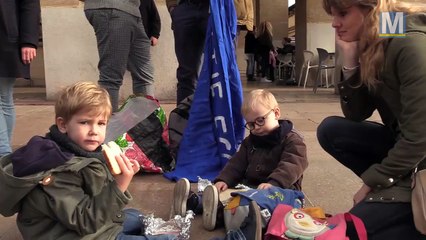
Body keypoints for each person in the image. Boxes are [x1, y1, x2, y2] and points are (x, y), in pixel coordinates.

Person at [0, 82, 176, 240]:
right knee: (166, 239)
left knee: (137, 217)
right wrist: (119, 186)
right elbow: (84, 221)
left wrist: (115, 176)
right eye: (85, 122)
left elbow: (91, 193)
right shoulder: (59, 170)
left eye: (101, 123)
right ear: (63, 125)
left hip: (83, 219)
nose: (94, 131)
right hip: (67, 233)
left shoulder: (83, 151)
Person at [316, 0, 426, 239]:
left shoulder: (411, 44)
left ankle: (406, 204)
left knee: (353, 229)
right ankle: (395, 200)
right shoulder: (383, 35)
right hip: (408, 150)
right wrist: (350, 63)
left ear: (371, 9)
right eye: (333, 14)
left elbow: (420, 138)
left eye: (343, 14)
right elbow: (356, 113)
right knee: (331, 131)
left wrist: (372, 182)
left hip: (421, 157)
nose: (335, 23)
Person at [172, 89, 308, 230]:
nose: (256, 128)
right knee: (230, 194)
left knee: (250, 207)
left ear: (276, 113)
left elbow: (292, 164)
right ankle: (196, 202)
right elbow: (237, 163)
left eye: (260, 120)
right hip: (251, 188)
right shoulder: (250, 141)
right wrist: (224, 179)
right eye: (251, 125)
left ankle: (220, 216)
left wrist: (274, 183)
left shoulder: (292, 140)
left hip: (282, 192)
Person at [84, 1, 154, 112]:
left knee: (144, 75)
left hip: (133, 11)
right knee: (111, 77)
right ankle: (108, 127)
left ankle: (147, 126)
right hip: (112, 8)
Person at [0, 0, 40, 157]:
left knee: (4, 98)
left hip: (5, 38)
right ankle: (4, 153)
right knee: (4, 99)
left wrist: (29, 41)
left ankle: (3, 153)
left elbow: (29, 4)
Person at [166, 0, 209, 104]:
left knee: (221, 70)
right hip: (184, 7)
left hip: (217, 7)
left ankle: (220, 118)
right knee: (186, 74)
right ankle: (183, 118)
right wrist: (173, 8)